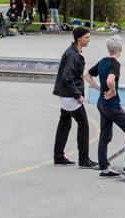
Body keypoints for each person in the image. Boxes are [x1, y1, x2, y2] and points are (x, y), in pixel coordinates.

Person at [86, 35, 125, 178]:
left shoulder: (102, 61)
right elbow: (110, 79)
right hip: (112, 105)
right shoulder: (115, 64)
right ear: (120, 49)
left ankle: (104, 169)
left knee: (105, 136)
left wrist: (99, 89)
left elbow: (87, 75)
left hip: (101, 103)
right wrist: (112, 90)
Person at [52, 27, 98, 169]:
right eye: (86, 37)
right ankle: (84, 160)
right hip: (70, 96)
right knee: (83, 125)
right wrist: (77, 95)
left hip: (65, 95)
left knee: (64, 123)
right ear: (79, 38)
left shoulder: (73, 52)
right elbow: (68, 77)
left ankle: (58, 156)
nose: (89, 40)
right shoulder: (73, 55)